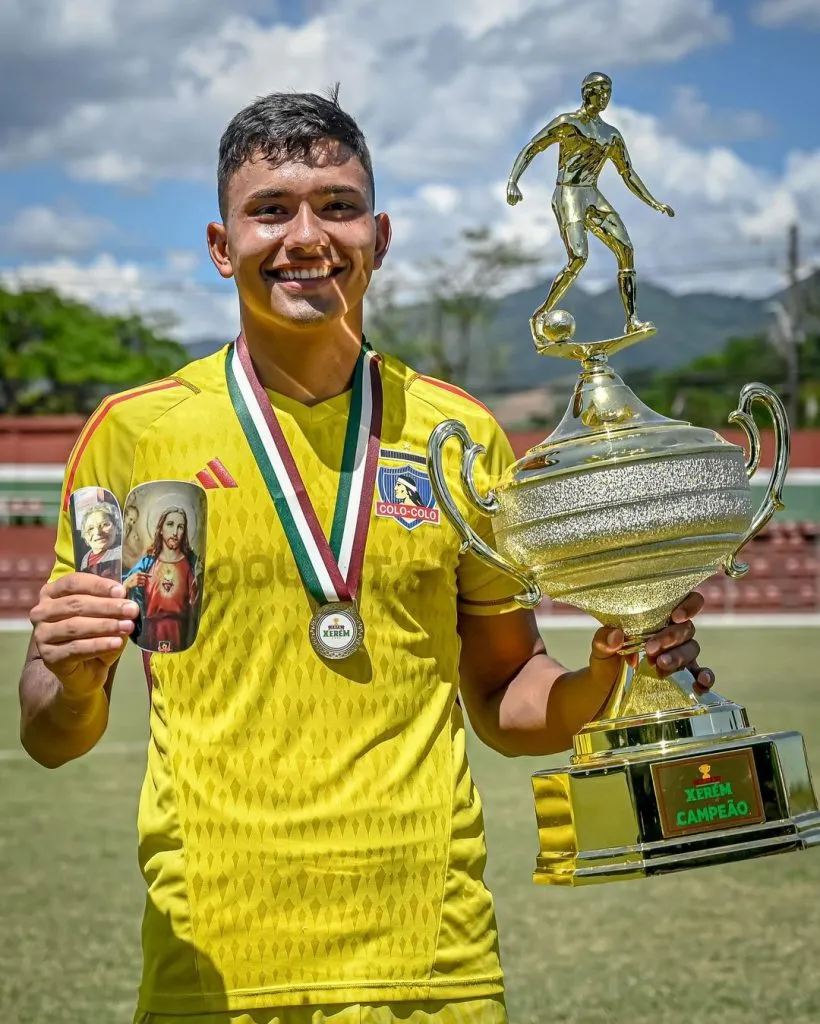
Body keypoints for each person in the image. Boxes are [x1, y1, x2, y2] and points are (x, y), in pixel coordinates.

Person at [19, 89, 713, 1024]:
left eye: (336, 206)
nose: (306, 235)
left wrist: (610, 673)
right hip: (215, 965)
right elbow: (51, 736)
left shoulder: (456, 435)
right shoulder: (136, 437)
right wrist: (70, 677)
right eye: (271, 210)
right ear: (223, 247)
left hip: (433, 959)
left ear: (378, 237)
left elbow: (510, 700)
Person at [506, 71, 674, 337]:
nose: (605, 96)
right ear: (587, 93)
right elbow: (533, 147)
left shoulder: (611, 135)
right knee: (579, 257)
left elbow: (627, 173)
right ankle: (541, 313)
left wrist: (654, 202)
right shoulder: (567, 123)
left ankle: (631, 320)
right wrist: (513, 180)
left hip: (592, 194)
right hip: (568, 193)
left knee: (626, 249)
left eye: (609, 91)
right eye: (600, 90)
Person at [124, 506, 198, 653]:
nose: (175, 532)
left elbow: (196, 604)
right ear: (161, 528)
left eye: (180, 527)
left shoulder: (191, 565)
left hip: (181, 634)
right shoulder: (148, 563)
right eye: (170, 524)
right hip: (150, 633)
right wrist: (128, 583)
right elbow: (120, 585)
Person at [78, 501, 122, 582]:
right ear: (85, 537)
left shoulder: (121, 553)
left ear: (116, 527)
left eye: (105, 524)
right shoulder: (86, 558)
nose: (98, 532)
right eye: (90, 528)